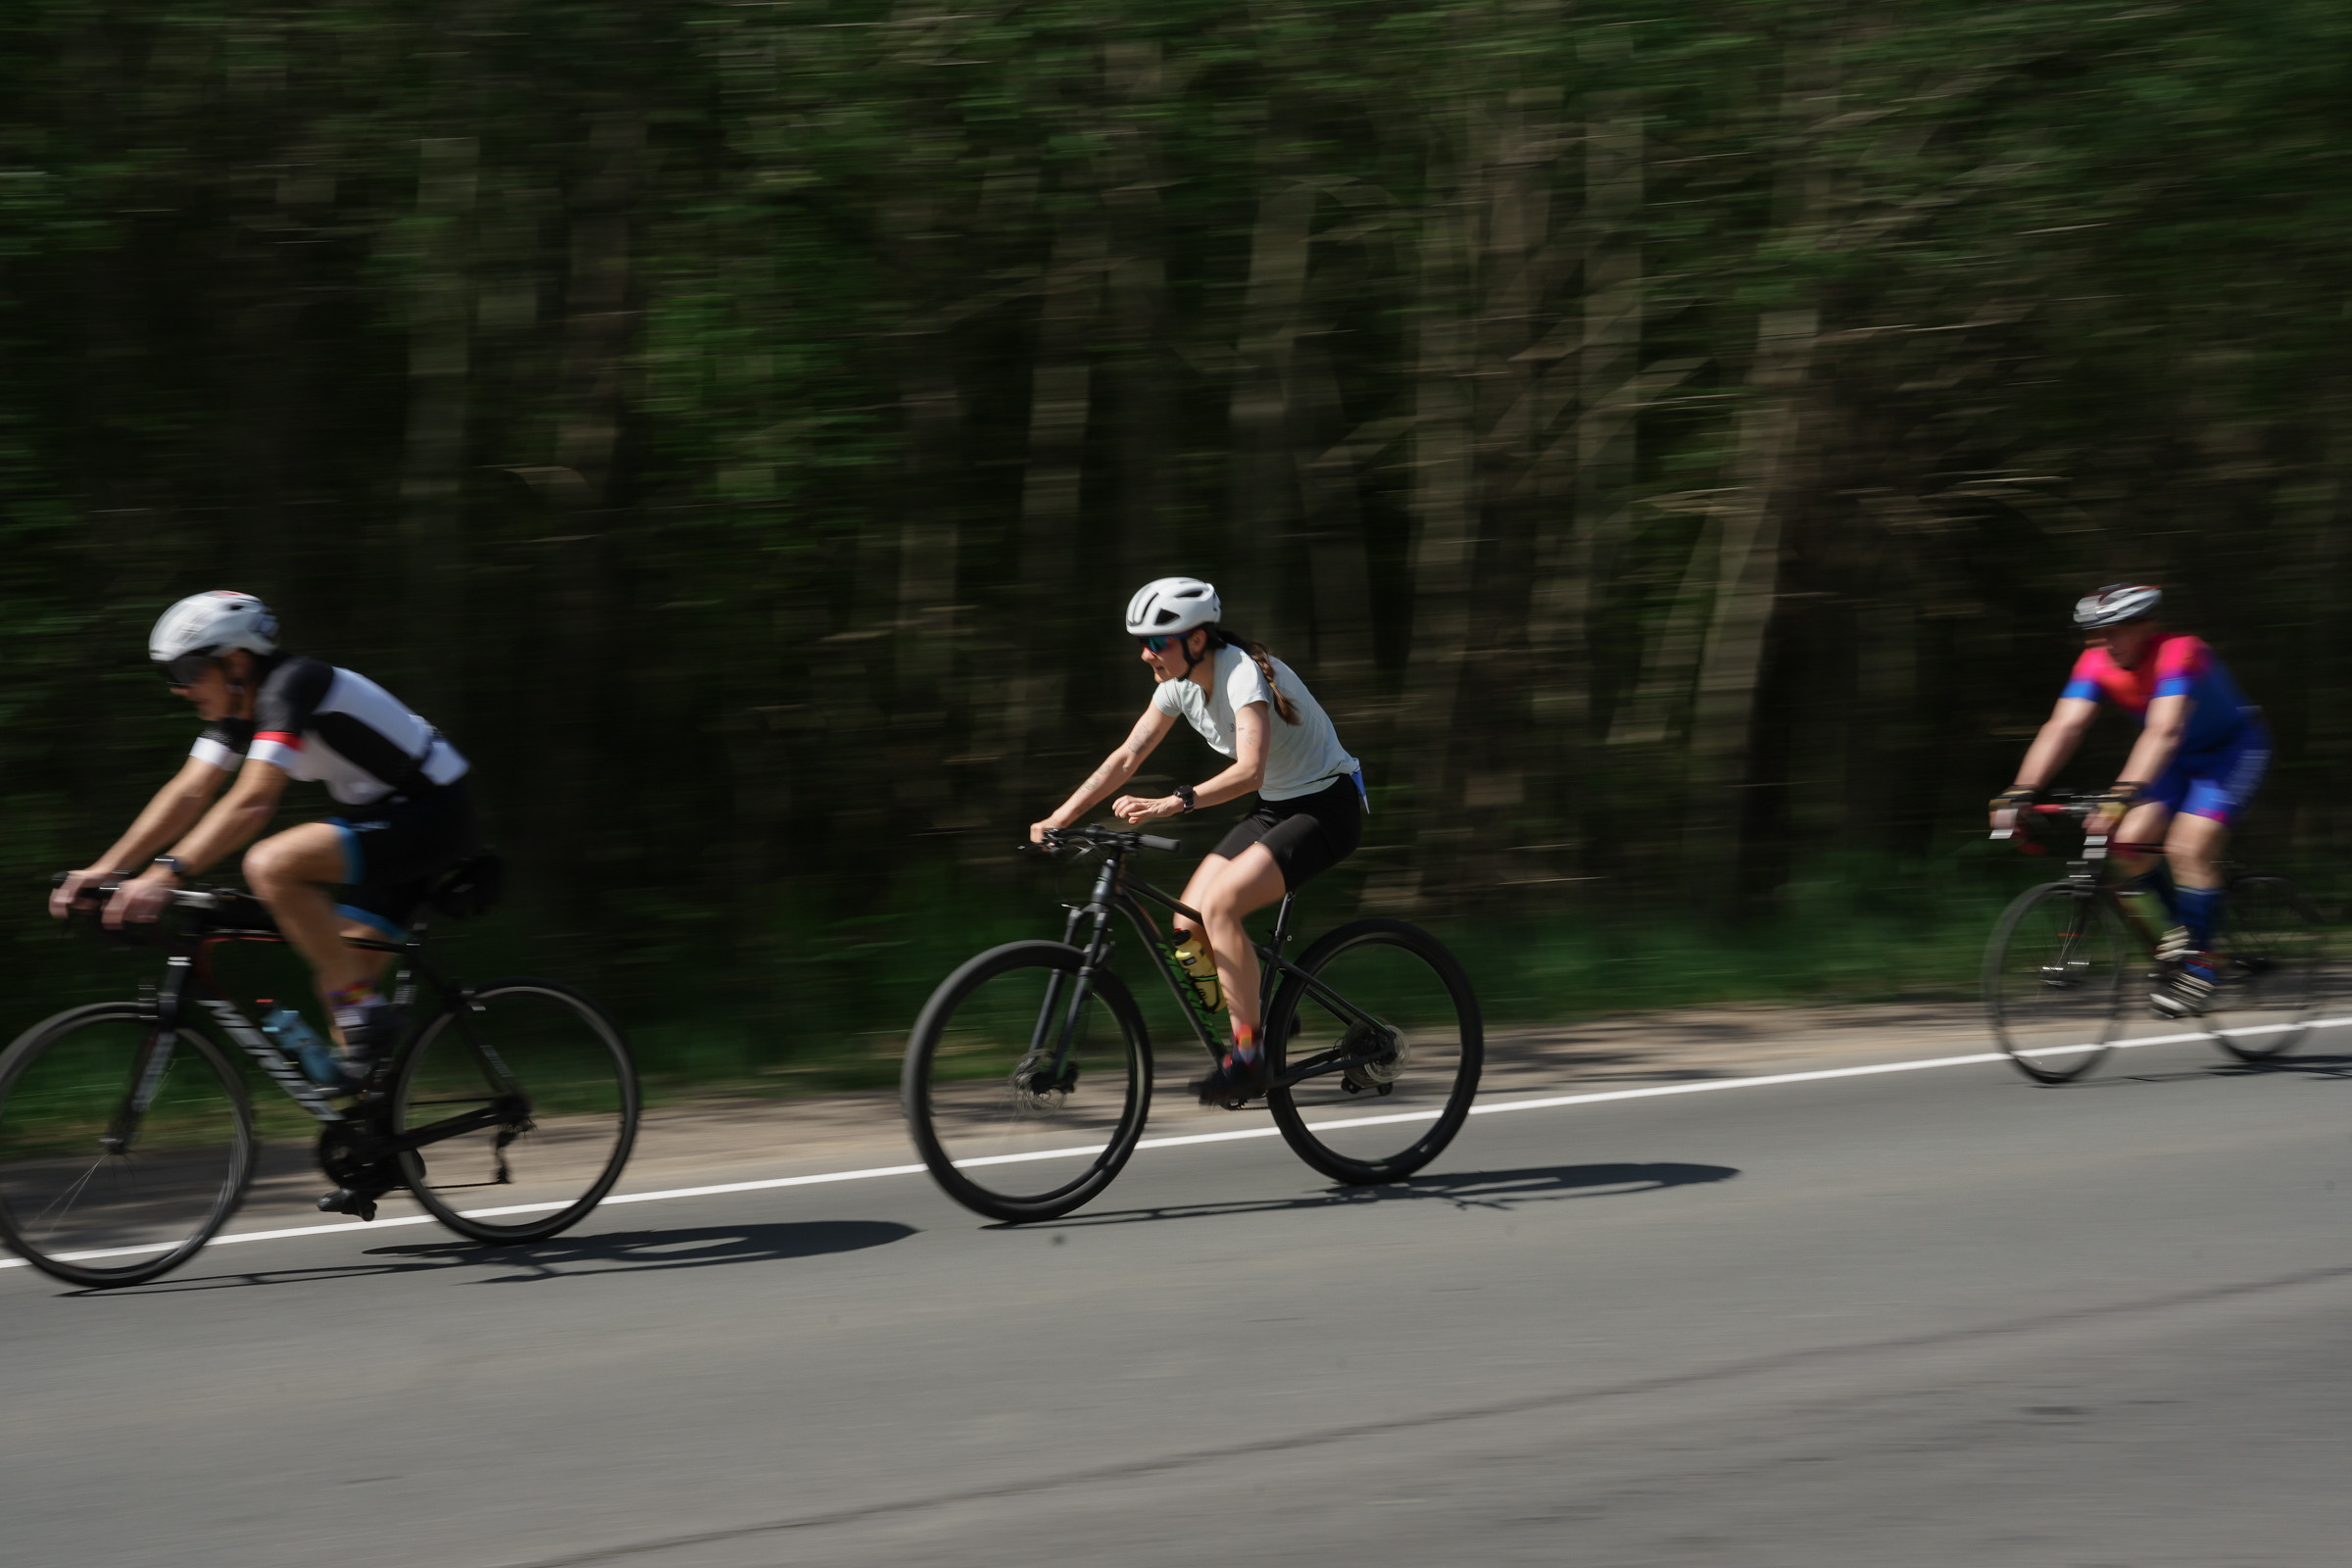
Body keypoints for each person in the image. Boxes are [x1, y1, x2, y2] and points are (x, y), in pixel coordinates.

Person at [50, 591, 480, 1210]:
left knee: (271, 864)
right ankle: (376, 1150)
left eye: (188, 671)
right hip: (386, 822)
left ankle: (365, 1011)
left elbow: (253, 801)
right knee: (340, 976)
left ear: (237, 662)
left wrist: (166, 874)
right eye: (171, 675)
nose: (179, 688)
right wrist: (107, 869)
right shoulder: (238, 710)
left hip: (433, 815)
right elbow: (189, 791)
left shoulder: (292, 685)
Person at [1032, 577, 1366, 1104]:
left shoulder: (1241, 674)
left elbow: (1251, 771)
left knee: (1222, 904)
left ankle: (1249, 1056)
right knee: (1188, 924)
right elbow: (1127, 756)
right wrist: (1060, 816)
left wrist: (1174, 802)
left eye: (1156, 642)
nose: (1145, 654)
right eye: (1141, 643)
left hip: (1327, 806)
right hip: (1277, 807)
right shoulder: (1177, 684)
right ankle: (1257, 1018)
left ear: (1196, 640)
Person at [1990, 583, 2270, 1017]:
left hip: (2230, 752)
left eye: (2114, 631)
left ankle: (2202, 967)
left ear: (2147, 626)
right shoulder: (2095, 662)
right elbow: (2064, 726)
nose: (2103, 643)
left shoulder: (2180, 652)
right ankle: (2181, 930)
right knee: (2126, 842)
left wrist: (2121, 794)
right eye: (2093, 634)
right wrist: (2021, 789)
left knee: (2188, 845)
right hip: (2175, 761)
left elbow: (2164, 731)